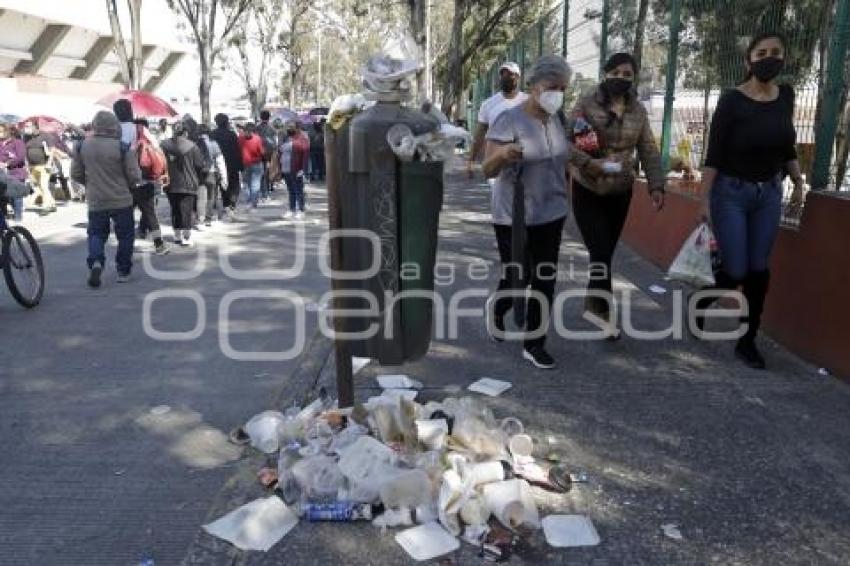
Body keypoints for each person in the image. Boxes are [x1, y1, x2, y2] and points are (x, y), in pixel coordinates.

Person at [694, 32, 802, 369]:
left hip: (769, 192)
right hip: (731, 194)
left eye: (776, 52)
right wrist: (704, 199)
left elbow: (787, 146)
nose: (769, 58)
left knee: (758, 269)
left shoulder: (786, 95)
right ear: (748, 60)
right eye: (761, 52)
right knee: (737, 267)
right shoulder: (731, 100)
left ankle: (747, 340)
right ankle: (704, 298)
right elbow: (713, 155)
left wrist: (798, 180)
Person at [482, 55, 572, 370]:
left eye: (562, 88)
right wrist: (505, 154)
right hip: (513, 216)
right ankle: (498, 307)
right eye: (552, 87)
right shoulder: (508, 120)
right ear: (533, 86)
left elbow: (565, 155)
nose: (557, 94)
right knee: (519, 276)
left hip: (552, 212)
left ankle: (534, 344)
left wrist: (595, 166)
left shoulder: (556, 119)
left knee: (544, 278)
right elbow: (486, 168)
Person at [566, 52, 665, 337]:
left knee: (605, 254)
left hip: (621, 190)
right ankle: (605, 315)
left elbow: (648, 148)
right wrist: (589, 164)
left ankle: (592, 301)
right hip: (589, 188)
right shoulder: (586, 103)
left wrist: (656, 185)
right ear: (605, 73)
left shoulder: (638, 110)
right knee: (599, 252)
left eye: (628, 75)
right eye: (616, 73)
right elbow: (565, 142)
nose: (621, 78)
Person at [71, 111, 142, 287]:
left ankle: (96, 261)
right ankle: (123, 271)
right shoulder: (123, 147)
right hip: (121, 199)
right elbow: (134, 176)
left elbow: (75, 174)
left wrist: (91, 184)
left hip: (96, 199)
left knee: (96, 234)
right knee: (125, 236)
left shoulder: (82, 146)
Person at [469, 62, 528, 179]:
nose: (505, 78)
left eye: (510, 75)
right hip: (497, 163)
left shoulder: (528, 102)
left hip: (525, 164)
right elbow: (480, 134)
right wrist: (471, 160)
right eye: (503, 75)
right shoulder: (488, 104)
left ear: (518, 77)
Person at [161, 121, 206, 246]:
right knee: (187, 210)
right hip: (189, 182)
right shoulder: (193, 146)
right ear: (185, 132)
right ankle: (186, 236)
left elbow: (160, 162)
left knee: (175, 209)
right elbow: (199, 165)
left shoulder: (164, 145)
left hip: (170, 183)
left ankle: (177, 234)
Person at [132, 118, 169, 255]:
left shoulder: (130, 141)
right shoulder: (152, 142)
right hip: (147, 183)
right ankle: (159, 244)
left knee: (126, 215)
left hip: (131, 185)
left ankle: (127, 244)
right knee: (150, 214)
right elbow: (160, 163)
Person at [23, 120, 66, 215]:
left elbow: (52, 150)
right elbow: (25, 152)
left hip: (44, 165)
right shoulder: (27, 138)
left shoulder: (45, 136)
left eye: (28, 126)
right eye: (26, 126)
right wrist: (27, 166)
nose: (26, 128)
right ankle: (52, 204)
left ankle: (45, 206)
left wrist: (49, 163)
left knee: (44, 185)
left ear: (35, 127)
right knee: (39, 187)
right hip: (32, 166)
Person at [211, 113, 242, 219]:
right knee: (235, 185)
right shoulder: (232, 134)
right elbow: (237, 150)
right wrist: (240, 165)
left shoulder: (212, 134)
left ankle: (226, 204)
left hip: (219, 165)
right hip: (232, 164)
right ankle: (232, 203)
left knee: (223, 185)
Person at [278, 120, 310, 220]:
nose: (289, 129)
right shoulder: (286, 138)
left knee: (298, 191)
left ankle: (301, 210)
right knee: (291, 190)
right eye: (288, 127)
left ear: (297, 128)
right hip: (286, 169)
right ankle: (292, 209)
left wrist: (303, 170)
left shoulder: (302, 139)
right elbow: (279, 150)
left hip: (296, 169)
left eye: (291, 127)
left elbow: (305, 155)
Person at [195, 123, 226, 227]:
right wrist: (224, 177)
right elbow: (220, 161)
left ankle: (200, 218)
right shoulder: (214, 144)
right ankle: (208, 218)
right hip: (211, 172)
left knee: (200, 196)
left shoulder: (195, 144)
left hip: (198, 173)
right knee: (211, 196)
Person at [0, 123, 28, 221]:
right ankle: (3, 217)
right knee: (3, 196)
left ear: (9, 132)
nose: (0, 133)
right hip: (2, 174)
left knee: (16, 196)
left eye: (1, 131)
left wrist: (7, 163)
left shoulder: (18, 142)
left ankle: (18, 217)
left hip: (16, 173)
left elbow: (20, 157)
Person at [238, 122, 265, 210]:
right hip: (256, 163)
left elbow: (237, 150)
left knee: (246, 183)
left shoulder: (240, 138)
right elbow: (262, 152)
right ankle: (253, 202)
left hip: (244, 163)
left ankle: (249, 201)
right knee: (255, 184)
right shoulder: (257, 138)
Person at [257, 109, 278, 200]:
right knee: (269, 171)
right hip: (270, 153)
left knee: (261, 172)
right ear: (269, 117)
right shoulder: (272, 129)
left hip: (259, 153)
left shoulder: (256, 128)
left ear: (260, 117)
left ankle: (262, 190)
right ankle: (269, 188)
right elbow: (275, 143)